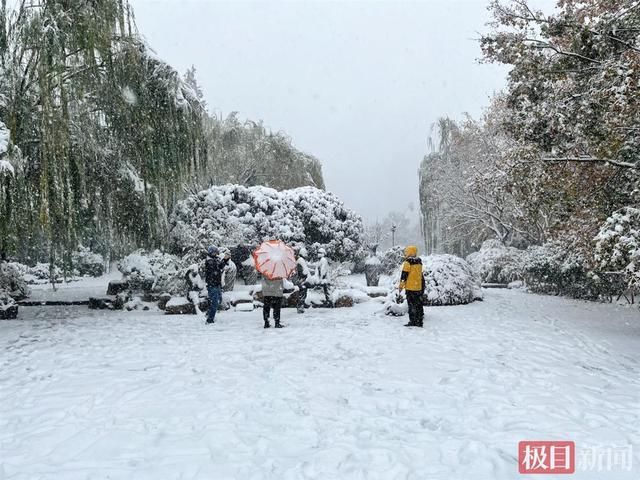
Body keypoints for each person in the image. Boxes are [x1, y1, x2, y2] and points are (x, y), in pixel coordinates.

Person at [398, 245, 425, 328]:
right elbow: (420, 275)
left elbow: (404, 276)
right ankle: (419, 321)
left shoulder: (407, 262)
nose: (406, 253)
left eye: (406, 252)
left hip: (410, 288)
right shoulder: (419, 262)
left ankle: (412, 321)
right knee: (419, 304)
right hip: (418, 287)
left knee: (412, 305)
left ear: (409, 252)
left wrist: (401, 286)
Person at [204, 246, 230, 324]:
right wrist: (222, 261)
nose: (215, 254)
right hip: (212, 285)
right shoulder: (209, 261)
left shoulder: (214, 259)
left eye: (216, 252)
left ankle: (209, 313)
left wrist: (225, 259)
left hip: (216, 284)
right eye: (214, 252)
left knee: (218, 300)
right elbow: (216, 267)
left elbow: (220, 266)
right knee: (215, 302)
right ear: (210, 252)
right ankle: (210, 320)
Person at [295, 247, 310, 313]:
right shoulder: (301, 260)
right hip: (301, 280)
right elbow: (304, 272)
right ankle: (300, 307)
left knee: (302, 293)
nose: (306, 254)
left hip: (300, 280)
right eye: (305, 253)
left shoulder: (300, 260)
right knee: (302, 294)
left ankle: (301, 305)